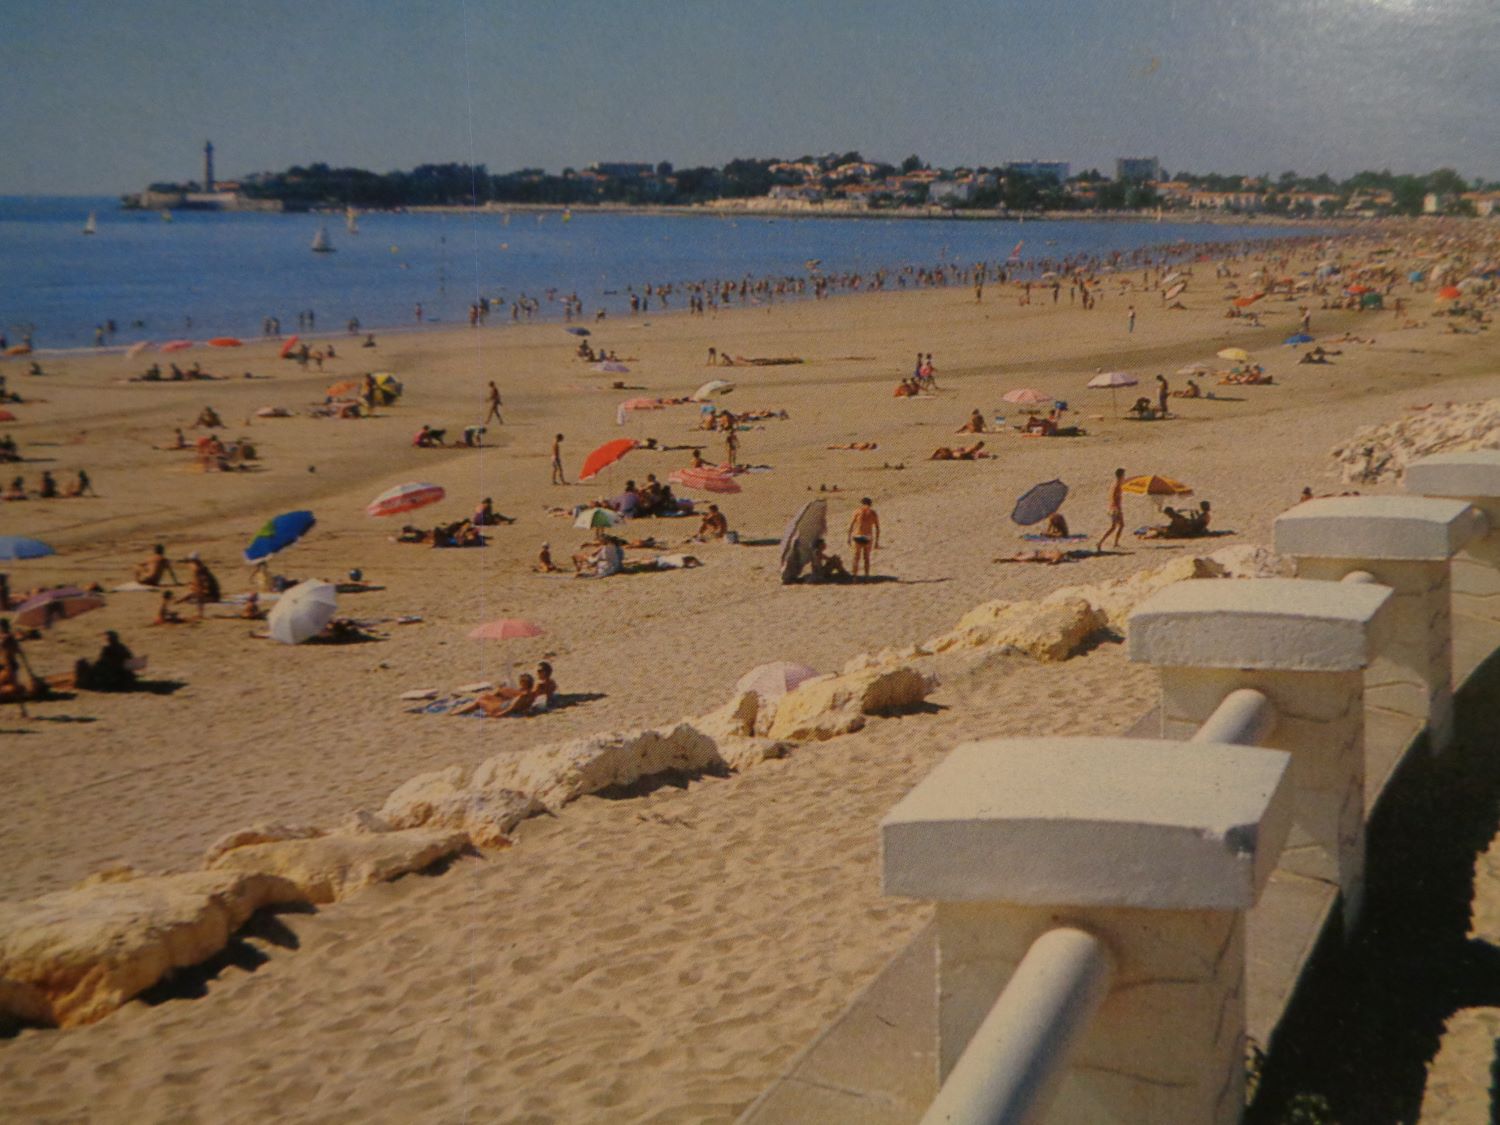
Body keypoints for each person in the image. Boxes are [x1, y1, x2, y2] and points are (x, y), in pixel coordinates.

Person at [847, 497, 880, 577]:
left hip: (857, 536)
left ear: (862, 503)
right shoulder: (873, 513)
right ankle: (866, 576)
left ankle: (854, 577)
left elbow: (851, 525)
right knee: (866, 558)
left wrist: (848, 537)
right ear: (870, 504)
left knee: (856, 558)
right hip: (867, 537)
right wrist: (876, 542)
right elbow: (877, 528)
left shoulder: (857, 511)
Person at [1097, 468, 1126, 553]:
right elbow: (1113, 497)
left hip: (1116, 508)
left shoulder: (1118, 485)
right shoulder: (1116, 485)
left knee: (1121, 525)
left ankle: (1115, 543)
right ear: (1121, 476)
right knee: (1114, 527)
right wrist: (1116, 508)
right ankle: (1100, 542)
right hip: (1115, 508)